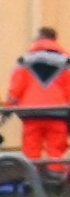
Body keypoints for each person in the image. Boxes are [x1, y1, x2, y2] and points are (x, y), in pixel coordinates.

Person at [6, 28, 70, 178]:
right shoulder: (66, 61)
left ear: (39, 38)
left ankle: (32, 178)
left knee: (31, 146)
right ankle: (55, 178)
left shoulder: (25, 60)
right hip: (58, 111)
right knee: (56, 147)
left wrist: (8, 108)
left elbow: (16, 87)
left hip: (31, 112)